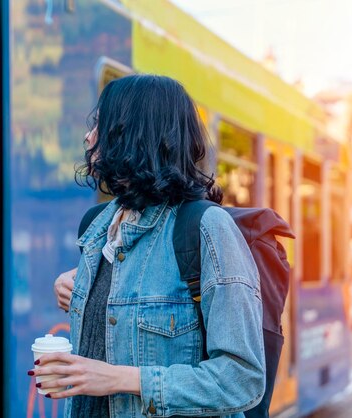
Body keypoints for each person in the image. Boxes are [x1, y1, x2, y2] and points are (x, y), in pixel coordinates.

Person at [28, 74, 265, 418]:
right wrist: (78, 287)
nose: (88, 136)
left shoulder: (207, 228)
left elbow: (242, 379)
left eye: (100, 125)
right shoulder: (98, 227)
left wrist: (119, 379)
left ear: (134, 134)